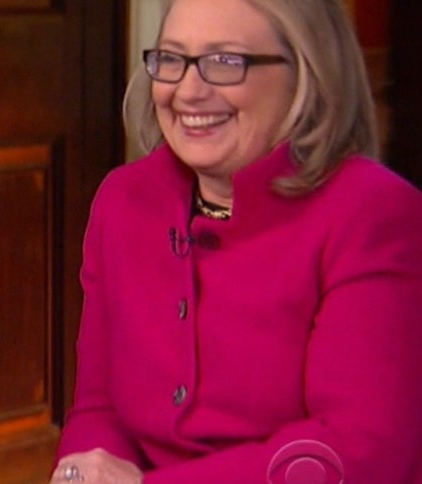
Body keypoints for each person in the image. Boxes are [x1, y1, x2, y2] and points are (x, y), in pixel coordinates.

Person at [51, 0, 422, 482]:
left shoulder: (373, 212)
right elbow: (98, 409)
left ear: (306, 74)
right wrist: (79, 475)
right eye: (172, 59)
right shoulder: (122, 202)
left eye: (225, 62)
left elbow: (361, 450)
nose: (188, 91)